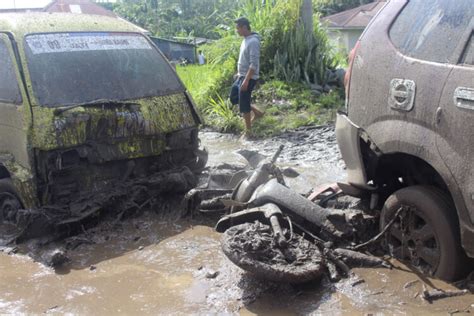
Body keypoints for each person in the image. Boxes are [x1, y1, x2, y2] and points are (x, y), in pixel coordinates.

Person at [229, 17, 264, 139]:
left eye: (238, 28)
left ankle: (248, 132)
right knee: (234, 97)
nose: (236, 31)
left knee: (244, 104)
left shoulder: (253, 41)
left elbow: (253, 64)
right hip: (241, 75)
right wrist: (239, 73)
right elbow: (244, 59)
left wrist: (247, 80)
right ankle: (258, 113)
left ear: (244, 27)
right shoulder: (245, 40)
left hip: (249, 77)